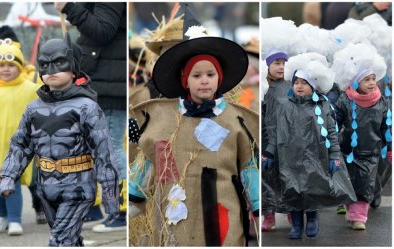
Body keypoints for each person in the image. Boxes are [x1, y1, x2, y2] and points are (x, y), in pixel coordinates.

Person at [129, 30, 259, 246]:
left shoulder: (234, 120)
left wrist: (257, 205)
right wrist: (134, 195)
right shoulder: (165, 118)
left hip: (222, 207)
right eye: (196, 76)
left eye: (210, 75)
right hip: (177, 210)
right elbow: (148, 159)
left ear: (220, 78)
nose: (204, 81)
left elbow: (248, 166)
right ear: (185, 81)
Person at [0, 33, 119, 246]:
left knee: (59, 240)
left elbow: (103, 150)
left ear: (73, 68)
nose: (51, 70)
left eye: (59, 63)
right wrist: (9, 174)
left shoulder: (86, 107)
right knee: (70, 240)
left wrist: (110, 190)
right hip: (46, 187)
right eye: (44, 64)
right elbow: (21, 144)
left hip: (78, 187)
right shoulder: (33, 109)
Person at [262, 53, 356, 239]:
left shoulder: (322, 106)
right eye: (296, 82)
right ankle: (297, 224)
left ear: (312, 85)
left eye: (304, 82)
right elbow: (276, 132)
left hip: (316, 157)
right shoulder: (284, 106)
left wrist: (335, 156)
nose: (299, 86)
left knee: (312, 188)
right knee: (294, 190)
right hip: (291, 159)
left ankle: (312, 219)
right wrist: (269, 153)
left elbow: (331, 133)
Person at [54, 2, 127, 231]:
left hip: (109, 87)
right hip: (99, 82)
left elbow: (102, 31)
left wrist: (70, 8)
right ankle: (94, 207)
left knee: (110, 149)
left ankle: (120, 211)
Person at [332, 43, 391, 230]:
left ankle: (359, 217)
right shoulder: (345, 100)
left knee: (366, 184)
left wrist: (389, 148)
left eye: (374, 79)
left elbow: (386, 127)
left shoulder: (381, 102)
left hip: (371, 152)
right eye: (367, 80)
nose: (372, 83)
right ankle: (351, 208)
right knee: (350, 183)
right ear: (356, 82)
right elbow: (335, 122)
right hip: (348, 150)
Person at [0, 25, 47, 226]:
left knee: (34, 177)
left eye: (10, 64)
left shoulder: (31, 78)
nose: (5, 68)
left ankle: (37, 206)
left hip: (26, 141)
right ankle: (5, 217)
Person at [261, 49, 292, 231]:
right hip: (265, 138)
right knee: (267, 179)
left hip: (285, 140)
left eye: (283, 63)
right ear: (268, 66)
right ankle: (269, 215)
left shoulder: (289, 86)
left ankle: (291, 212)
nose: (281, 67)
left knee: (286, 177)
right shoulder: (264, 88)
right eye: (277, 63)